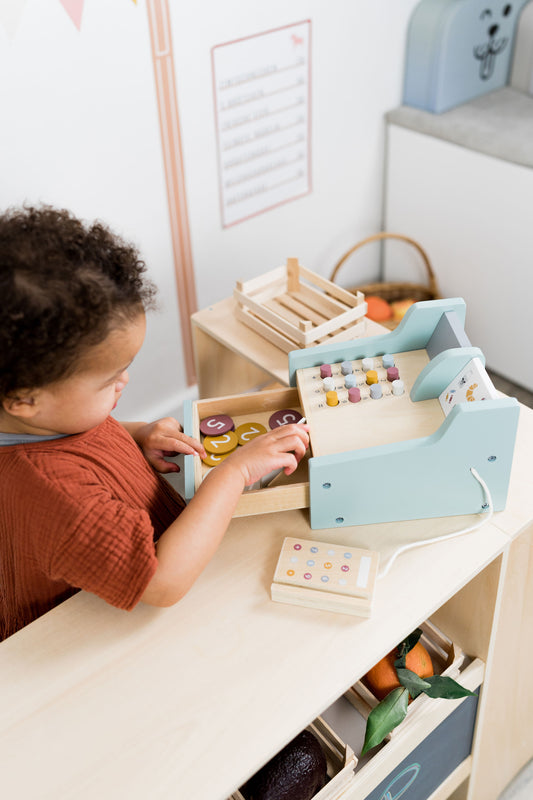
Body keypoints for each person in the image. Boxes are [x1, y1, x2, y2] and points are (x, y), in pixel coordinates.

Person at [0, 205, 309, 640]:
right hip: (80, 633)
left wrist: (134, 435)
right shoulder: (52, 494)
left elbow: (73, 441)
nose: (125, 381)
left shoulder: (40, 419)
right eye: (110, 380)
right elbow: (162, 583)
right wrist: (233, 472)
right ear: (24, 399)